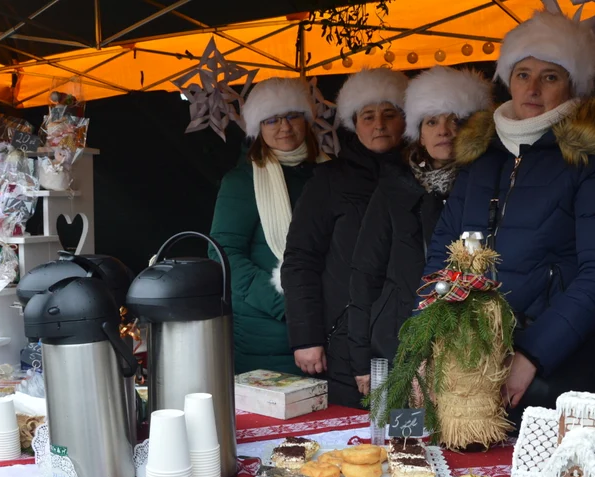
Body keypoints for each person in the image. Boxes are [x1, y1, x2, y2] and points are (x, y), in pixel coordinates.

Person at [425, 11, 595, 414]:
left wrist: (532, 356)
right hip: (469, 363)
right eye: (523, 74)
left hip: (551, 370)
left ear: (571, 83)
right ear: (508, 80)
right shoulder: (482, 156)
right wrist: (433, 336)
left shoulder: (592, 160)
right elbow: (441, 253)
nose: (533, 88)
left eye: (550, 76)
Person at [348, 66, 493, 396]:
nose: (444, 130)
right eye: (432, 121)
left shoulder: (489, 187)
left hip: (472, 350)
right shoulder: (393, 187)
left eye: (454, 119)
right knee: (404, 444)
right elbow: (363, 274)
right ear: (419, 132)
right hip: (398, 343)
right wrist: (360, 358)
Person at [282, 67, 408, 407]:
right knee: (353, 445)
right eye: (368, 116)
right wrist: (305, 337)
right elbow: (300, 260)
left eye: (389, 114)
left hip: (411, 338)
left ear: (406, 120)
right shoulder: (329, 180)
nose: (379, 124)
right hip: (343, 340)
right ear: (354, 123)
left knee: (409, 442)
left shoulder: (422, 178)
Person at [208, 78, 324, 375]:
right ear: (258, 128)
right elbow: (223, 257)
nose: (283, 127)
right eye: (271, 119)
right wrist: (289, 306)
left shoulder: (329, 175)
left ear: (306, 120)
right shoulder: (242, 182)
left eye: (291, 116)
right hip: (267, 332)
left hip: (327, 323)